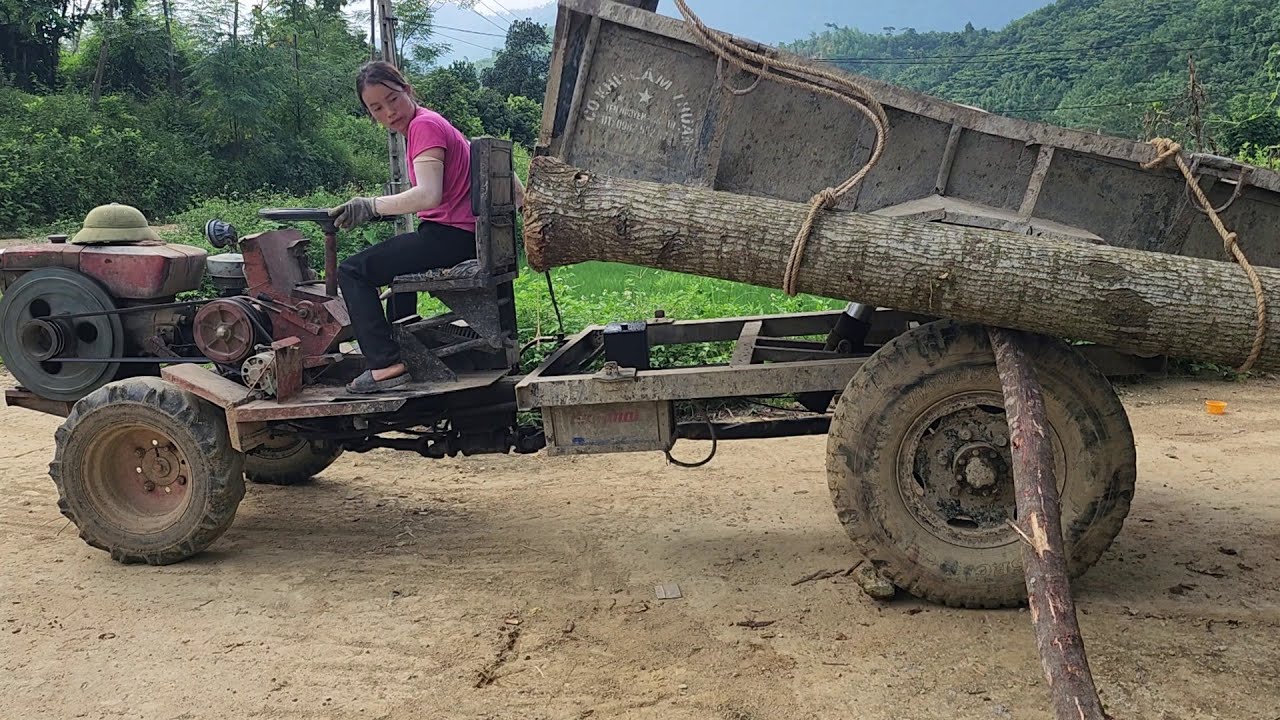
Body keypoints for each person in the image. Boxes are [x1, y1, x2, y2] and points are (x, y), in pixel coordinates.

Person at [329, 60, 524, 394]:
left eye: (392, 99)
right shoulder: (434, 122)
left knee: (353, 271)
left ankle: (385, 366)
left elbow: (428, 195)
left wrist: (370, 206)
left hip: (452, 237)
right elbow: (515, 185)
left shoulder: (424, 127)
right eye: (376, 108)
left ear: (407, 89)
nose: (389, 112)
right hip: (467, 236)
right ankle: (401, 346)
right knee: (392, 262)